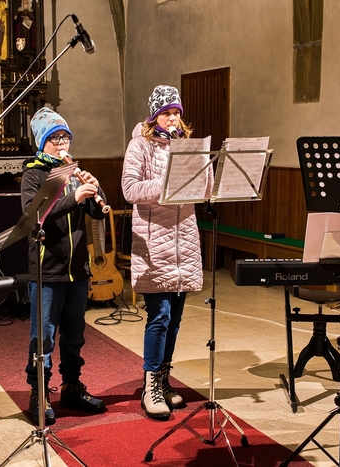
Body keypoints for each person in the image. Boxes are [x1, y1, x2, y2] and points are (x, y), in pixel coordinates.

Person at [121, 85, 206, 420]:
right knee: (160, 316)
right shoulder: (140, 145)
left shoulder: (185, 146)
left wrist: (205, 173)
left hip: (184, 241)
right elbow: (129, 189)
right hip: (155, 242)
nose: (172, 118)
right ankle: (150, 385)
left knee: (176, 319)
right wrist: (167, 184)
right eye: (166, 113)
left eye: (176, 113)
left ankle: (164, 378)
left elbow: (203, 189)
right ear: (154, 115)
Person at [21, 107, 107, 426]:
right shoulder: (34, 174)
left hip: (77, 270)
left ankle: (71, 386)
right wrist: (74, 198)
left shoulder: (73, 171)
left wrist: (95, 190)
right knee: (43, 339)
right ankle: (39, 393)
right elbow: (33, 215)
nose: (61, 143)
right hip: (48, 270)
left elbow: (96, 213)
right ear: (42, 141)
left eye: (65, 137)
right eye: (54, 138)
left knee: (74, 336)